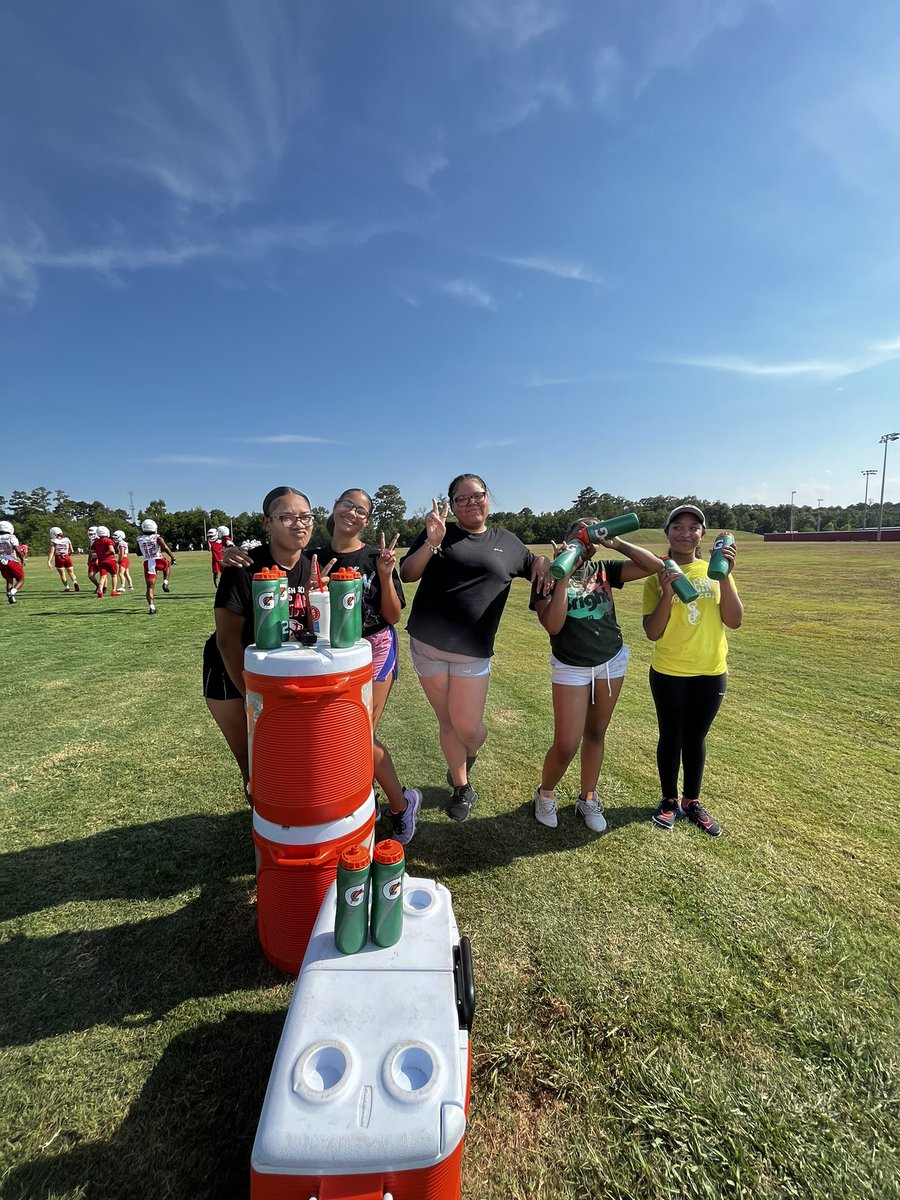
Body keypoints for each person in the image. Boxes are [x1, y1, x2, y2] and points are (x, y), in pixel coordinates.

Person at [399, 473, 550, 822]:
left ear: (488, 498)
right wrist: (431, 542)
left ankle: (470, 752)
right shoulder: (440, 533)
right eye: (461, 500)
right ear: (451, 506)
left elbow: (535, 567)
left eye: (476, 496)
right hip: (427, 645)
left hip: (472, 652)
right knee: (447, 721)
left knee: (468, 727)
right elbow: (408, 574)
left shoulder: (508, 542)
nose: (470, 504)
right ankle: (462, 786)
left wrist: (542, 562)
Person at [530, 524, 666, 832]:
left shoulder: (603, 570)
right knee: (566, 743)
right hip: (571, 666)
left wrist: (616, 542)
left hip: (610, 662)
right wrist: (561, 576)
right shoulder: (545, 576)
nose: (584, 541)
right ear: (565, 539)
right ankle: (545, 793)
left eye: (591, 536)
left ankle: (587, 797)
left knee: (596, 733)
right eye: (578, 535)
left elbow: (654, 566)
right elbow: (553, 625)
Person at [310, 488, 421, 845]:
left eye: (361, 511)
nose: (353, 513)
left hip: (374, 647)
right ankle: (358, 799)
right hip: (330, 652)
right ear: (335, 507)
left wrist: (387, 574)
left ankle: (401, 806)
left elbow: (392, 616)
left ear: (367, 520)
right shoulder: (314, 556)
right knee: (334, 731)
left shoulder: (376, 557)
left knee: (357, 733)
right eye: (348, 505)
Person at [202, 486, 313, 800]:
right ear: (268, 523)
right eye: (287, 517)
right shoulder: (244, 567)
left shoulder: (313, 566)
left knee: (286, 754)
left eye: (305, 516)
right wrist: (253, 695)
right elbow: (226, 640)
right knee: (252, 761)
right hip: (231, 672)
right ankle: (265, 831)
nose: (299, 524)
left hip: (278, 673)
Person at [641, 504, 743, 837]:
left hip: (710, 670)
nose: (686, 533)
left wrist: (725, 576)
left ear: (703, 534)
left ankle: (692, 801)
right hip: (669, 670)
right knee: (671, 737)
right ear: (667, 533)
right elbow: (652, 632)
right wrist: (668, 590)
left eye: (694, 527)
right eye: (678, 527)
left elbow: (735, 620)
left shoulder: (715, 571)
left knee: (696, 738)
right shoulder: (657, 576)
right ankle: (669, 800)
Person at [137, 519, 176, 615]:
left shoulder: (139, 539)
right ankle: (165, 582)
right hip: (158, 559)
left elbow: (138, 553)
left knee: (149, 587)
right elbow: (165, 548)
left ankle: (151, 607)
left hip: (148, 562)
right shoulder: (158, 538)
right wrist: (173, 557)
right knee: (167, 566)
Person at [0, 520, 25, 604]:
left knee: (9, 580)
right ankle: (12, 593)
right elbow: (17, 549)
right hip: (11, 561)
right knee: (21, 579)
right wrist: (22, 559)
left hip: (1, 562)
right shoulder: (12, 537)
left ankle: (11, 599)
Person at [47, 526, 80, 592]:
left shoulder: (53, 541)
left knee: (62, 574)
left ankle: (66, 587)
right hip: (67, 557)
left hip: (59, 558)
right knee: (71, 573)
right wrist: (68, 554)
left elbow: (51, 552)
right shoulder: (67, 539)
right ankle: (75, 582)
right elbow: (72, 550)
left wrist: (49, 561)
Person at [91, 526, 121, 597]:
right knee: (114, 575)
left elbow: (92, 551)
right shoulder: (108, 540)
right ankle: (114, 591)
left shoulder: (96, 541)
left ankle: (100, 590)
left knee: (103, 576)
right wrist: (112, 553)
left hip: (101, 561)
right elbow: (111, 550)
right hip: (110, 560)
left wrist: (99, 555)